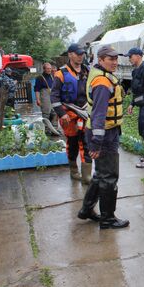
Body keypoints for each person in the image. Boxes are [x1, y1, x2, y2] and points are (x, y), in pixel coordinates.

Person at [77, 45, 129, 229]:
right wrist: (96, 143)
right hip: (103, 134)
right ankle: (108, 219)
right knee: (109, 177)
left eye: (116, 59)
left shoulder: (102, 76)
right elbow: (99, 114)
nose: (114, 62)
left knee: (100, 175)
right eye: (110, 59)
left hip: (105, 131)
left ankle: (86, 210)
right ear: (100, 60)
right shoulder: (102, 82)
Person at [51, 43, 92, 184]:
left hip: (85, 113)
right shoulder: (61, 74)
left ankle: (87, 176)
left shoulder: (87, 70)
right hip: (69, 115)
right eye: (77, 54)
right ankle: (74, 171)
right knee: (73, 144)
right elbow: (54, 97)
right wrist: (62, 114)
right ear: (70, 54)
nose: (81, 56)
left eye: (82, 54)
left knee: (86, 142)